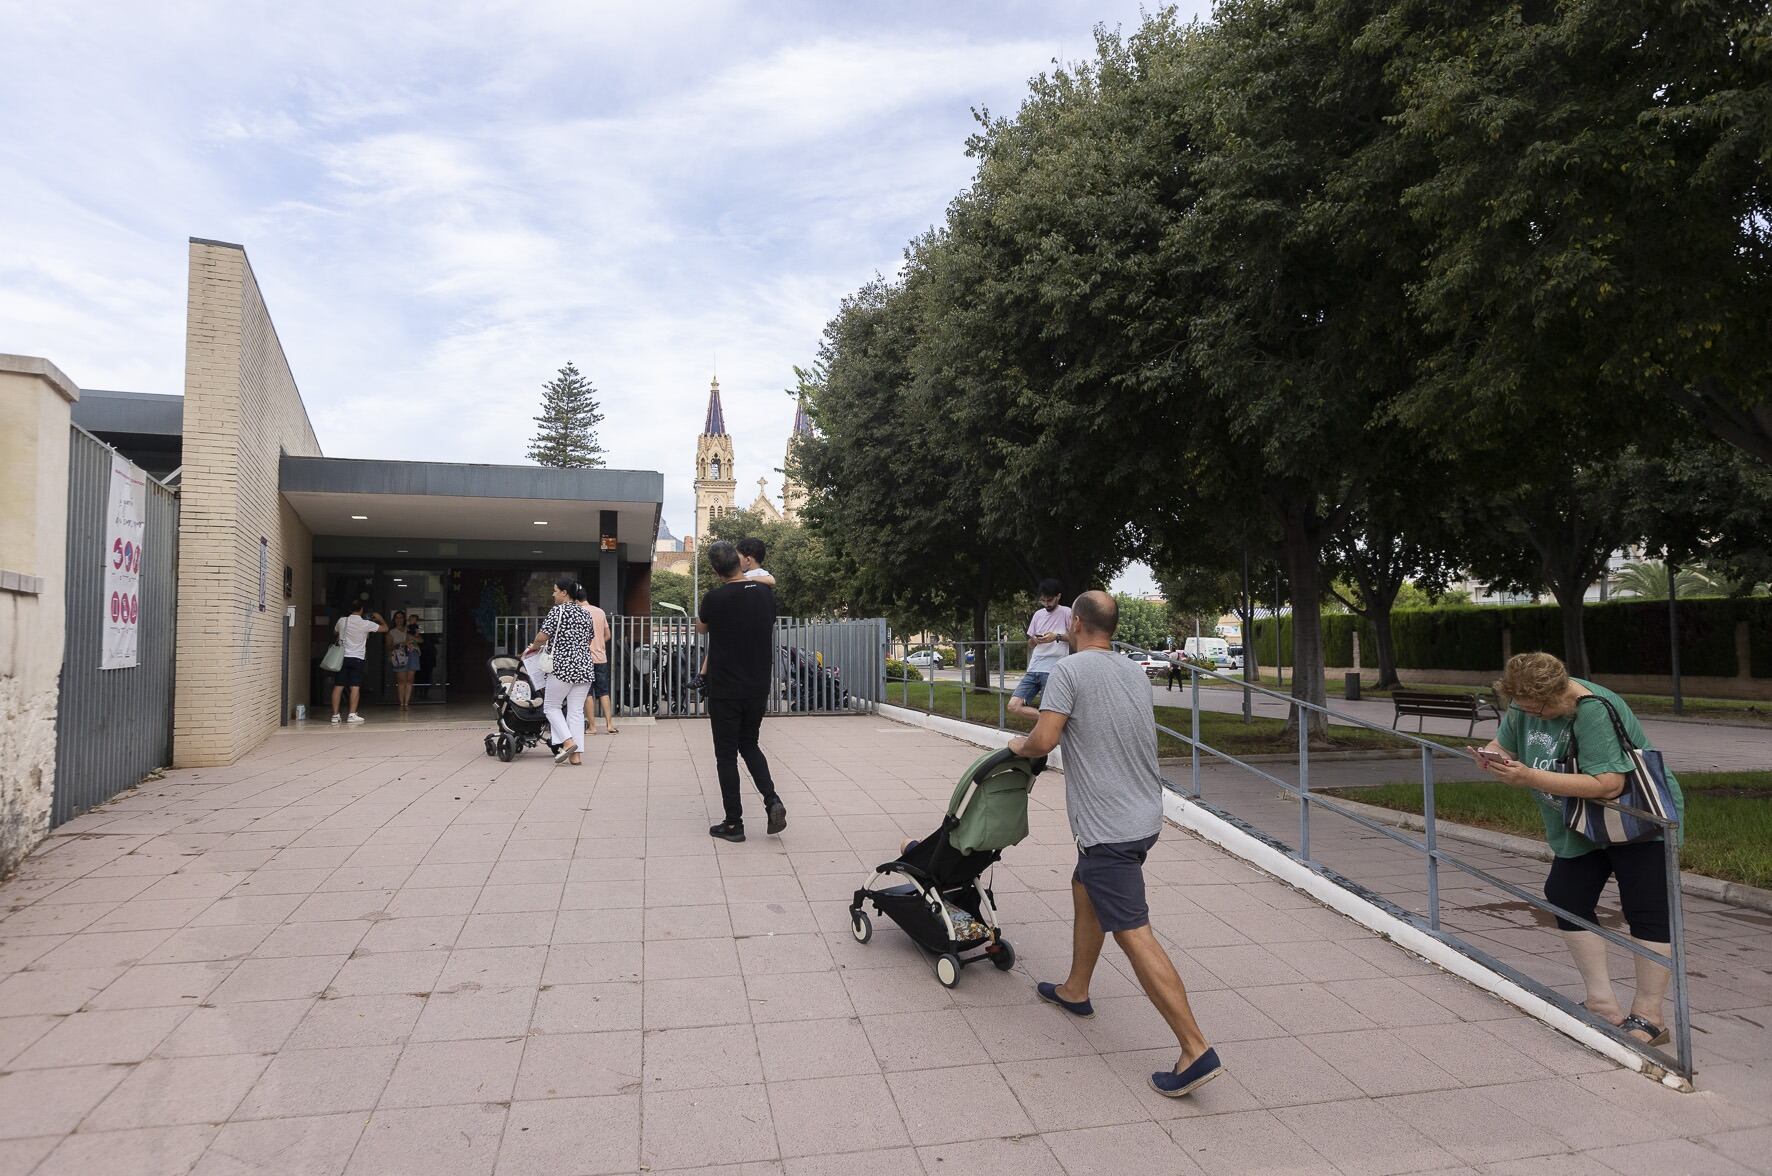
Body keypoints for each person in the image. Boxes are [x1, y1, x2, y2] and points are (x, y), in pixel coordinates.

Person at [1008, 590, 1222, 1098]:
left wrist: (1017, 742)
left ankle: (1195, 1048)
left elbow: (1044, 740)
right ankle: (1075, 989)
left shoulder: (1069, 671)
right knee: (1086, 885)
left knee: (1132, 930)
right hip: (1144, 815)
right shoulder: (1131, 670)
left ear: (1075, 623)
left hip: (1109, 828)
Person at [1476, 651, 1685, 1046]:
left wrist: (1529, 777)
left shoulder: (1592, 710)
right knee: (1566, 894)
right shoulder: (1526, 703)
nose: (1531, 715)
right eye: (1523, 707)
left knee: (1646, 907)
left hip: (1635, 819)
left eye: (1538, 707)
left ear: (1558, 692)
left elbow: (1609, 784)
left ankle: (1649, 1017)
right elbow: (1503, 746)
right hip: (1578, 820)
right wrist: (1492, 760)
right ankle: (1602, 1004)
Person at [698, 540, 787, 842]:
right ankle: (772, 799)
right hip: (757, 685)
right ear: (740, 562)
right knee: (750, 744)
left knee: (725, 754)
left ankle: (734, 823)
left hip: (725, 688)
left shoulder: (714, 598)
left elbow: (702, 628)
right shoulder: (765, 594)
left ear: (715, 570)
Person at [522, 578, 595, 766]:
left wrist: (534, 646)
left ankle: (568, 742)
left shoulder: (558, 611)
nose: (553, 594)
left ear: (564, 593)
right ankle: (576, 755)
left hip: (562, 667)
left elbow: (543, 635)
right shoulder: (585, 613)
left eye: (555, 591)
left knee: (551, 707)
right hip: (584, 666)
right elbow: (589, 640)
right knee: (576, 711)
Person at [1008, 579, 1071, 718]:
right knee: (1013, 706)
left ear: (1058, 596)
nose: (1046, 604)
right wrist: (1035, 640)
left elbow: (1077, 638)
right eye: (1043, 601)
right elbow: (1030, 643)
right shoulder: (1038, 614)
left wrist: (1056, 637)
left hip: (1054, 668)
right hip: (1034, 667)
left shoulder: (1067, 612)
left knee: (1047, 710)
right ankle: (1047, 723)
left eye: (1049, 600)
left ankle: (1048, 729)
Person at [331, 601, 388, 724]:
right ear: (361, 610)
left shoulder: (342, 621)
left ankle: (335, 715)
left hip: (341, 658)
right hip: (357, 658)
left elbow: (335, 632)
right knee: (355, 686)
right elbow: (385, 629)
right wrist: (379, 618)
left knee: (338, 686)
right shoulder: (366, 623)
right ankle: (352, 714)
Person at [577, 586, 618, 736]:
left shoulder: (579, 612)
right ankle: (609, 725)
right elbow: (608, 635)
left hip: (585, 658)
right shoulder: (600, 611)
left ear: (575, 599)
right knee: (603, 692)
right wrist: (599, 642)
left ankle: (592, 727)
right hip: (601, 657)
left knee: (588, 693)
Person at [386, 610, 415, 709]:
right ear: (394, 619)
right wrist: (401, 644)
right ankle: (401, 703)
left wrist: (413, 641)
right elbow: (389, 647)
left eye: (401, 617)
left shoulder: (409, 629)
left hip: (411, 655)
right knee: (401, 681)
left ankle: (406, 703)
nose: (399, 619)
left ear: (404, 619)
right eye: (397, 617)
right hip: (399, 657)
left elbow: (419, 639)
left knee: (410, 680)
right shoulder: (391, 632)